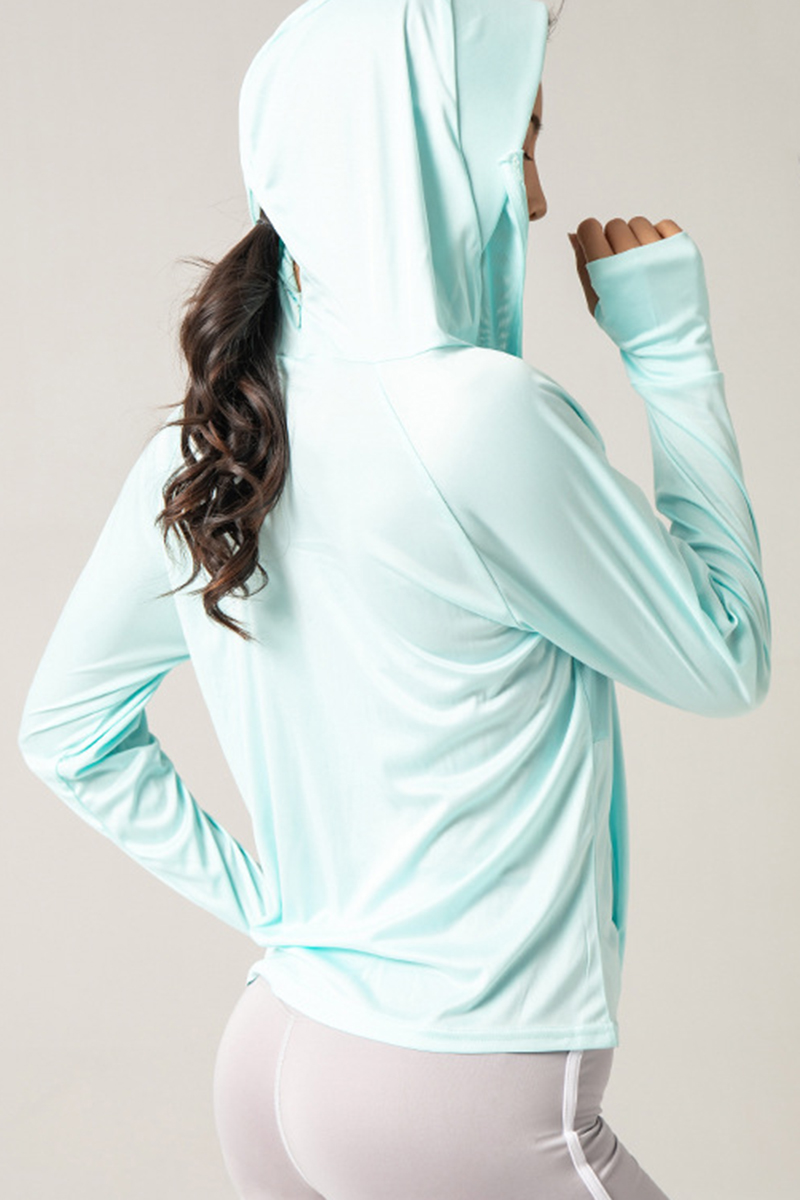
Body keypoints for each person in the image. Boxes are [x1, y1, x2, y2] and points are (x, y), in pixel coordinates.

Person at [18, 1, 771, 1198]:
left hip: (278, 1045)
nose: (533, 200)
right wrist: (670, 350)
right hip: (456, 1087)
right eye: (518, 144)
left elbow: (64, 732)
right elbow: (723, 657)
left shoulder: (208, 438)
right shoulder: (476, 418)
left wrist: (288, 913)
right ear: (420, 158)